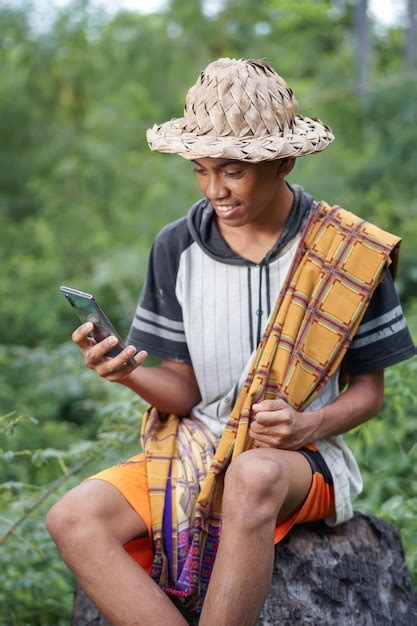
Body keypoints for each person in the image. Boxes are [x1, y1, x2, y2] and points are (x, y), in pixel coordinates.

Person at [46, 58, 416, 626]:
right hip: (193, 449)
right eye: (200, 169)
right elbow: (183, 393)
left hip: (298, 459)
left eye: (233, 171)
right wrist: (125, 371)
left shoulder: (346, 254)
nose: (214, 189)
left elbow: (370, 392)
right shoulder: (176, 247)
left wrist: (305, 426)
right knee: (73, 518)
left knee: (253, 473)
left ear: (283, 162)